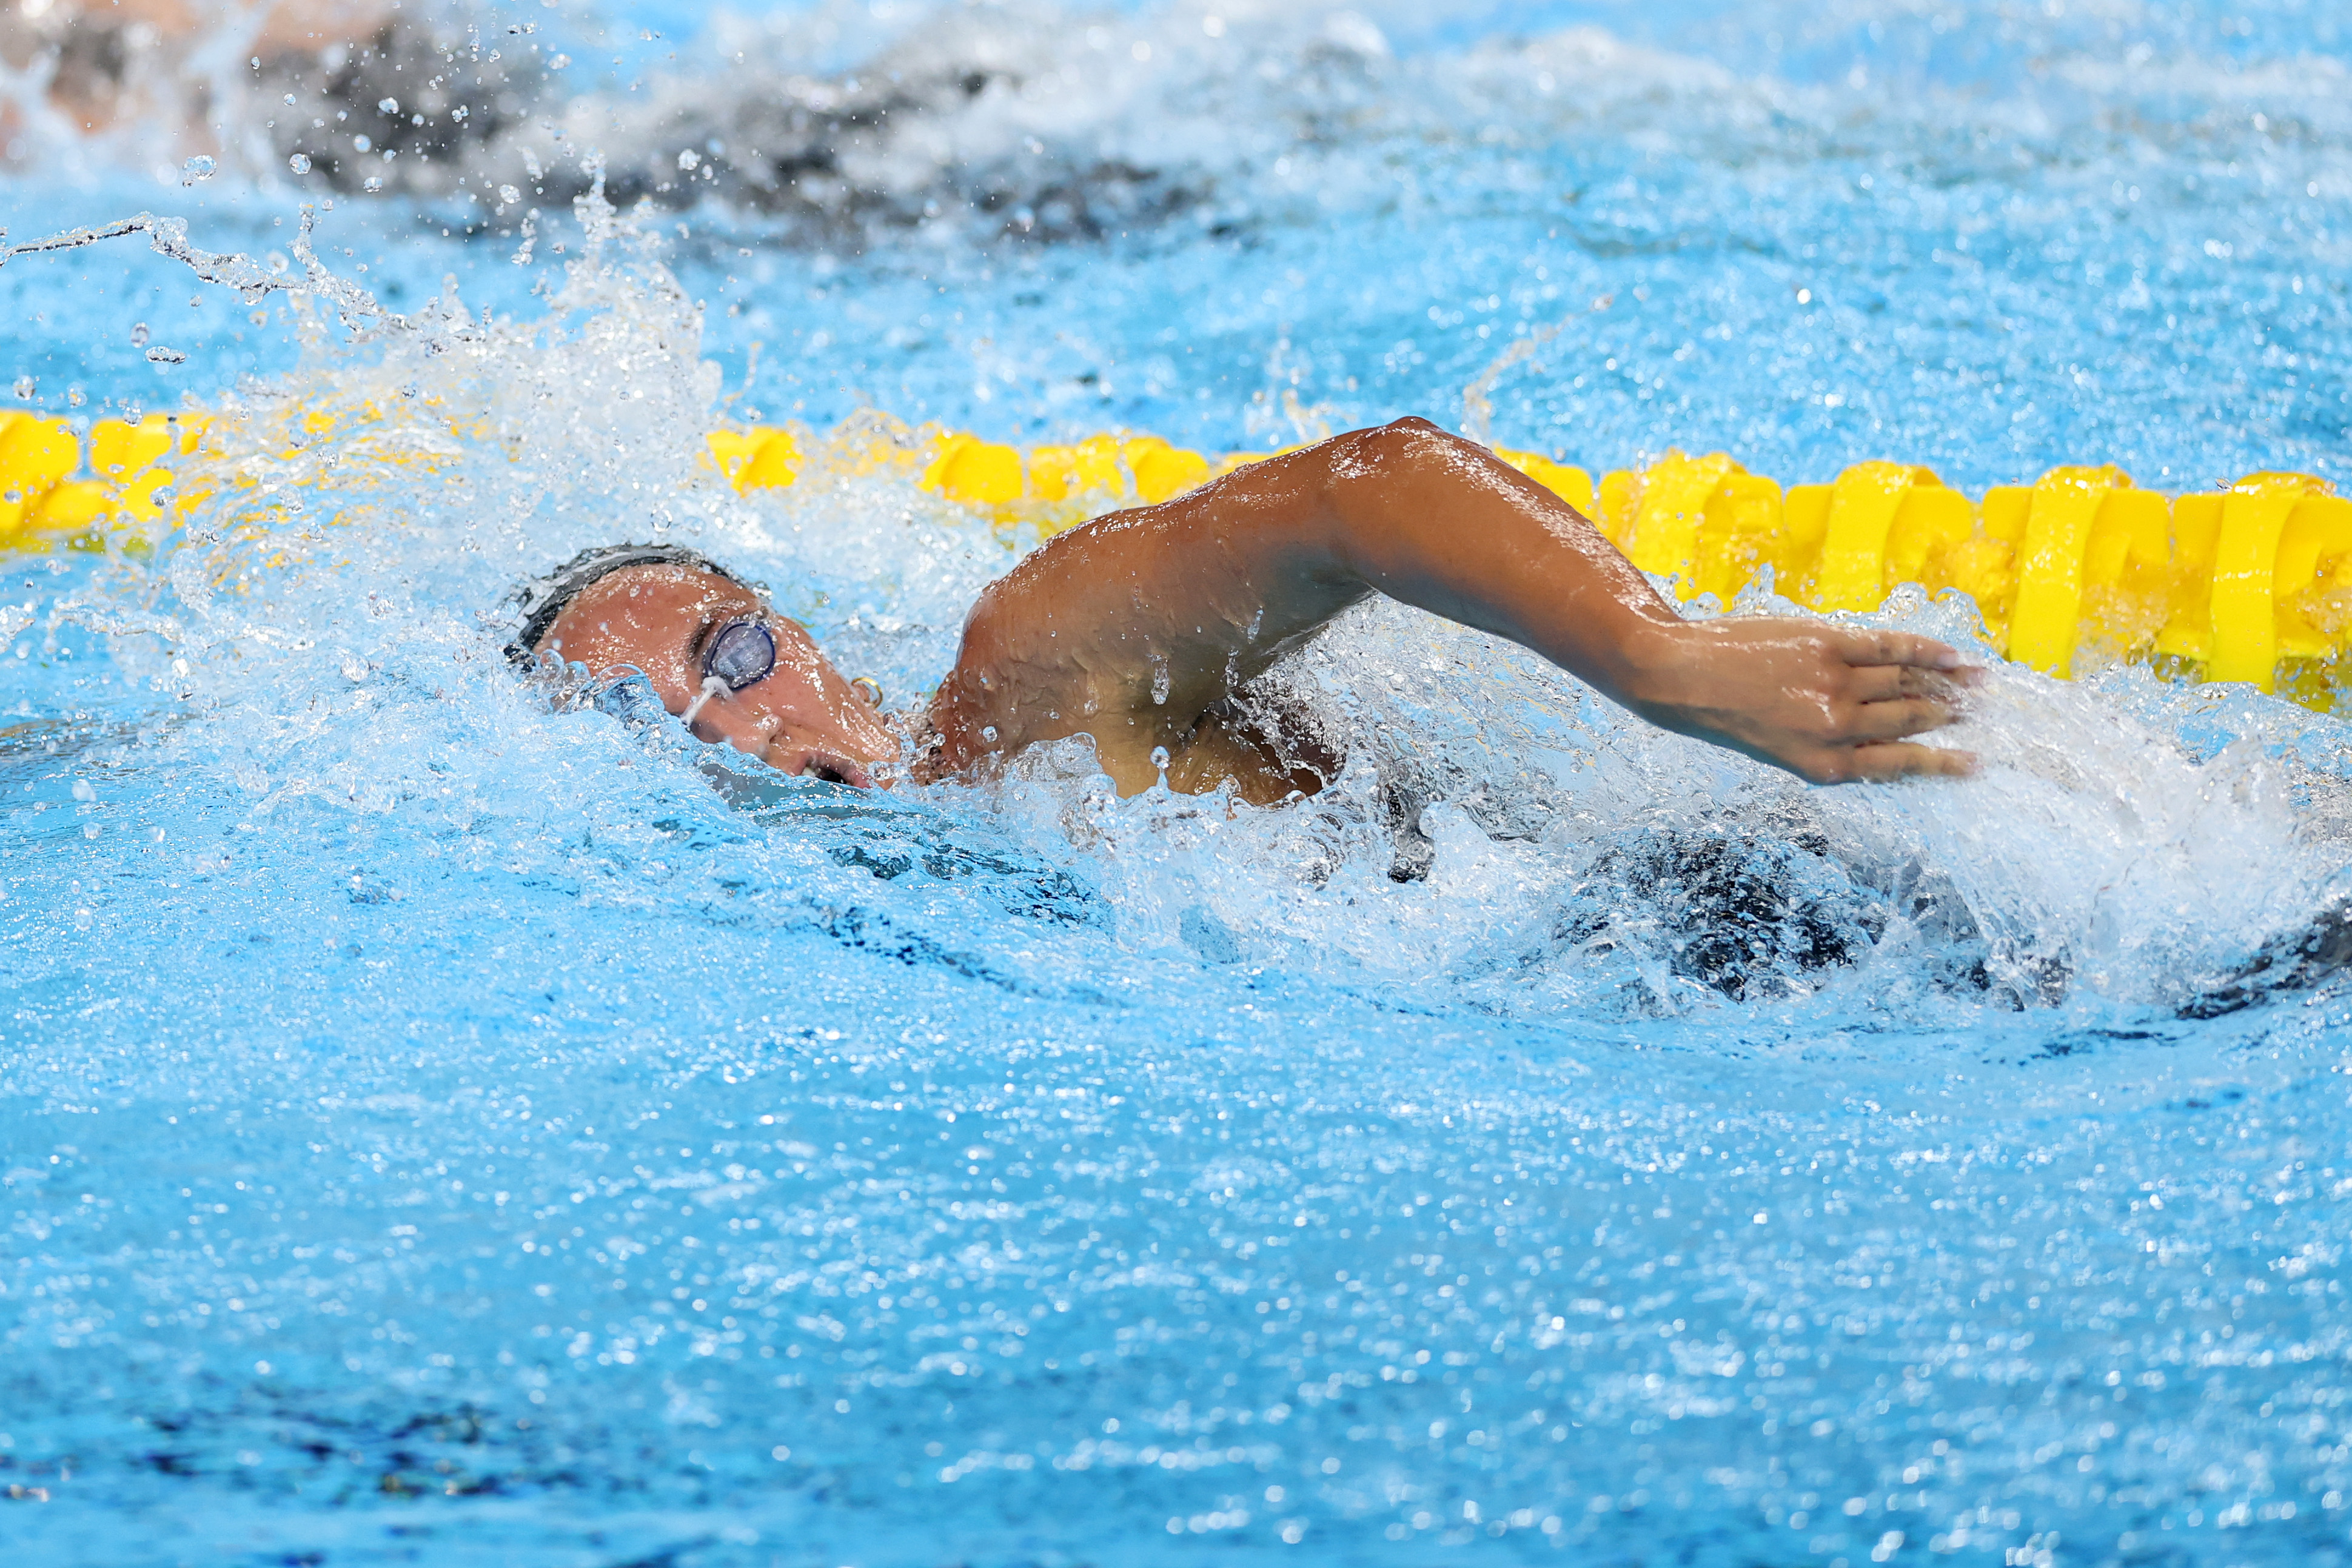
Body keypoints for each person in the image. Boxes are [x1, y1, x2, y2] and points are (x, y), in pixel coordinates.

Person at [507, 418, 1975, 802]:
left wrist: (1657, 654)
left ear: (804, 634)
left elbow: (1371, 491)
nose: (740, 729)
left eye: (734, 655)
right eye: (661, 733)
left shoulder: (1020, 684)